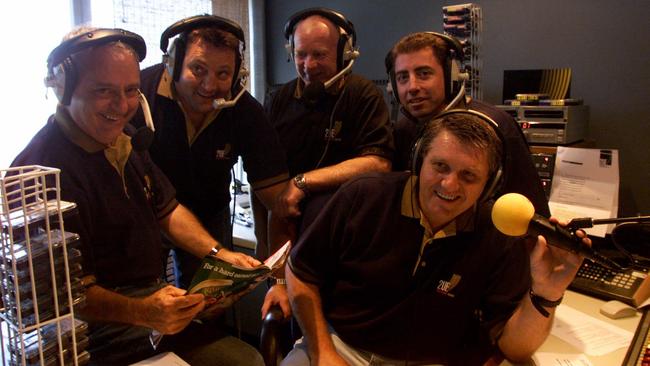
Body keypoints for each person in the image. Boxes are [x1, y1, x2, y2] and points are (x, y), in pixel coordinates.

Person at [11, 27, 264, 365]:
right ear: (63, 87)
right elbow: (61, 297)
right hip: (91, 331)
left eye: (131, 90)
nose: (123, 105)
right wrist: (143, 311)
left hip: (146, 306)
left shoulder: (124, 139)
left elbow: (167, 210)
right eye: (104, 91)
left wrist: (219, 254)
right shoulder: (35, 172)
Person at [283, 110, 588, 365]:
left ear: (490, 184)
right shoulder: (363, 195)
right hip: (343, 348)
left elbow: (515, 349)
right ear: (418, 160)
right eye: (440, 166)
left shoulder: (499, 234)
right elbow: (301, 273)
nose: (450, 184)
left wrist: (547, 292)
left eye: (469, 176)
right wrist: (322, 351)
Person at [131, 15, 290, 290]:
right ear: (173, 63)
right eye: (198, 69)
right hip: (145, 217)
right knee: (144, 297)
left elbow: (276, 194)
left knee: (209, 301)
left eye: (223, 74)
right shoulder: (136, 97)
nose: (209, 85)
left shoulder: (244, 110)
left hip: (208, 213)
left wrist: (278, 274)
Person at [261, 7, 394, 318]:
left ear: (345, 52)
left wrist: (302, 182)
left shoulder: (363, 95)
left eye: (319, 54)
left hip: (347, 241)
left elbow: (378, 162)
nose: (309, 65)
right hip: (290, 235)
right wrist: (274, 275)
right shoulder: (277, 101)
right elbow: (268, 188)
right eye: (301, 54)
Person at [385, 31, 550, 216]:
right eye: (402, 78)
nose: (412, 87)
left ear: (452, 76)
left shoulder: (496, 126)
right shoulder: (403, 129)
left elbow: (532, 210)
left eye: (424, 74)